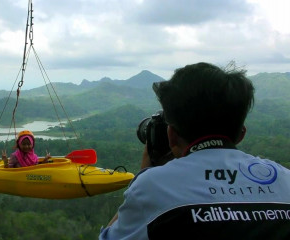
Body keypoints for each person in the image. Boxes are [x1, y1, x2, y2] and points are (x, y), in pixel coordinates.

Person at [99, 62, 290, 239]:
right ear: (241, 134)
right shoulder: (285, 180)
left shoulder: (152, 186)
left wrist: (143, 177)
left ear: (171, 135)